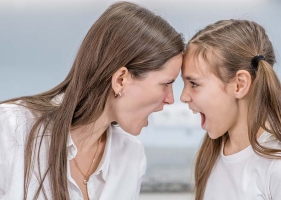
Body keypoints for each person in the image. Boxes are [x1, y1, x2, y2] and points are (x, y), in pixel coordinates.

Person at [0, 2, 184, 199]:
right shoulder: (10, 129)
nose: (170, 99)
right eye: (166, 83)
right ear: (121, 80)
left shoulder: (132, 156)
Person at [180, 19, 281, 200]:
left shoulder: (279, 169)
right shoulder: (210, 156)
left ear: (239, 85)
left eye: (194, 83)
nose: (183, 96)